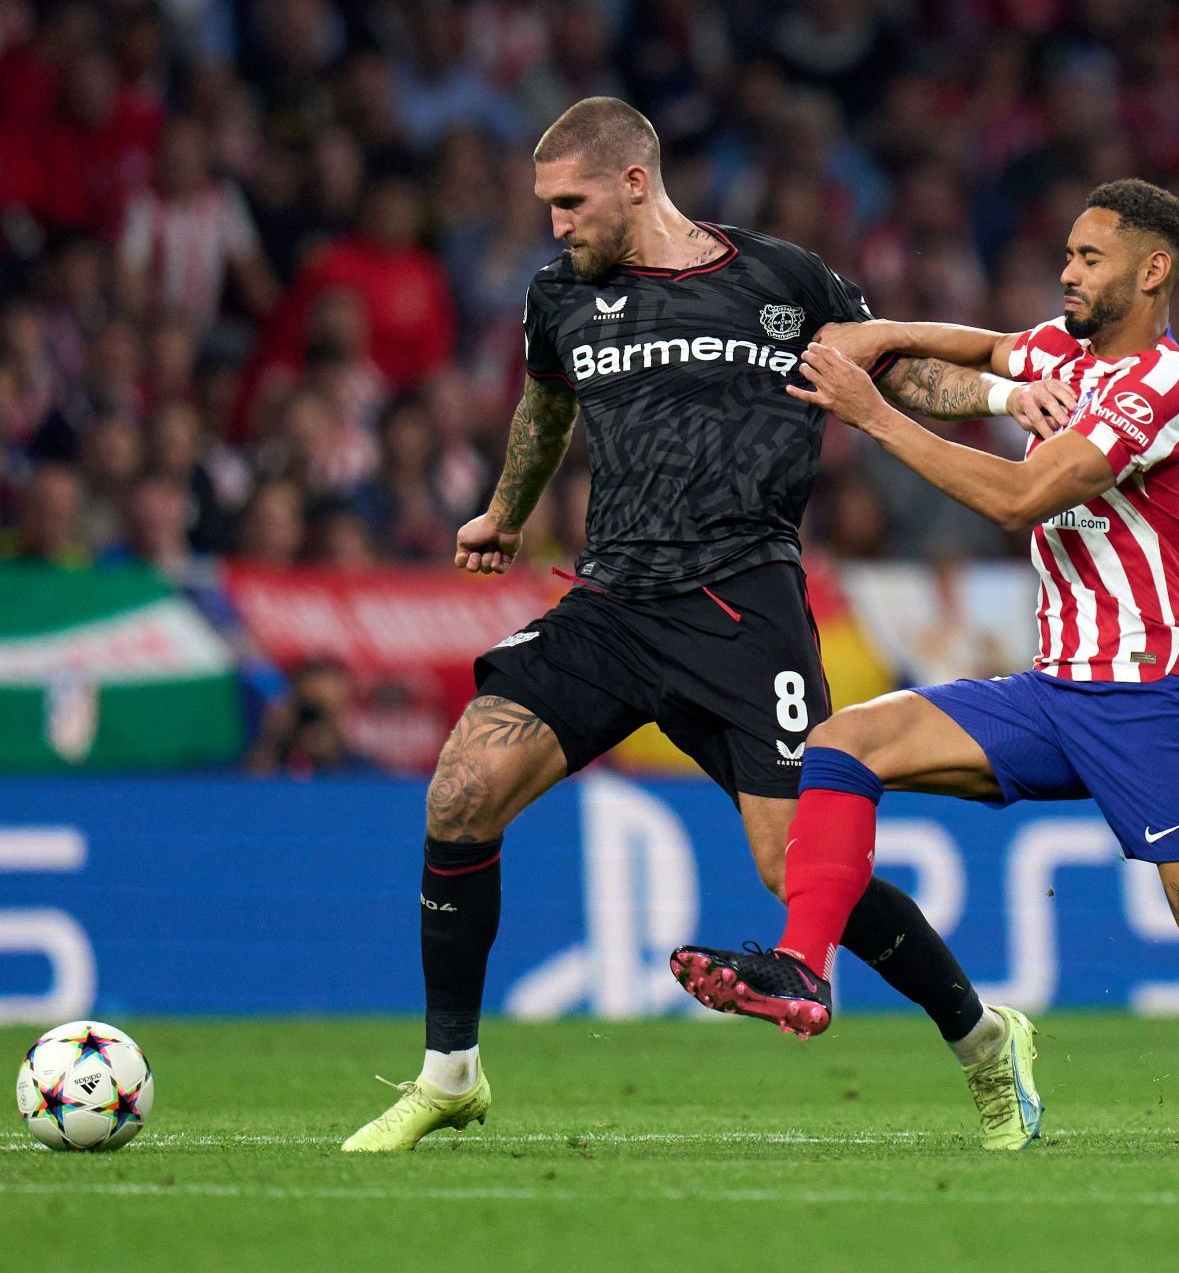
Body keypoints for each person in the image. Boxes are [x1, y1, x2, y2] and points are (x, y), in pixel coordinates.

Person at [671, 180, 1179, 1151]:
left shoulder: (1165, 386)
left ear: (1153, 272)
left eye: (1089, 258)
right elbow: (979, 355)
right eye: (1066, 254)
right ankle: (802, 972)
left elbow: (1024, 495)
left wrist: (875, 414)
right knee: (845, 745)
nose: (1067, 271)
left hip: (1153, 702)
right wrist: (882, 334)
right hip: (1054, 688)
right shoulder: (1059, 352)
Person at [343, 97, 1079, 1153]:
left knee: (797, 870)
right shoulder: (559, 298)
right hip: (614, 603)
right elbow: (546, 406)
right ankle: (450, 1073)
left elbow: (898, 369)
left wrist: (1005, 396)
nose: (554, 224)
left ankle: (982, 1038)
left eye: (569, 201)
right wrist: (506, 512)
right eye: (546, 205)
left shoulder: (781, 280)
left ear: (634, 182)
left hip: (745, 609)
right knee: (462, 789)